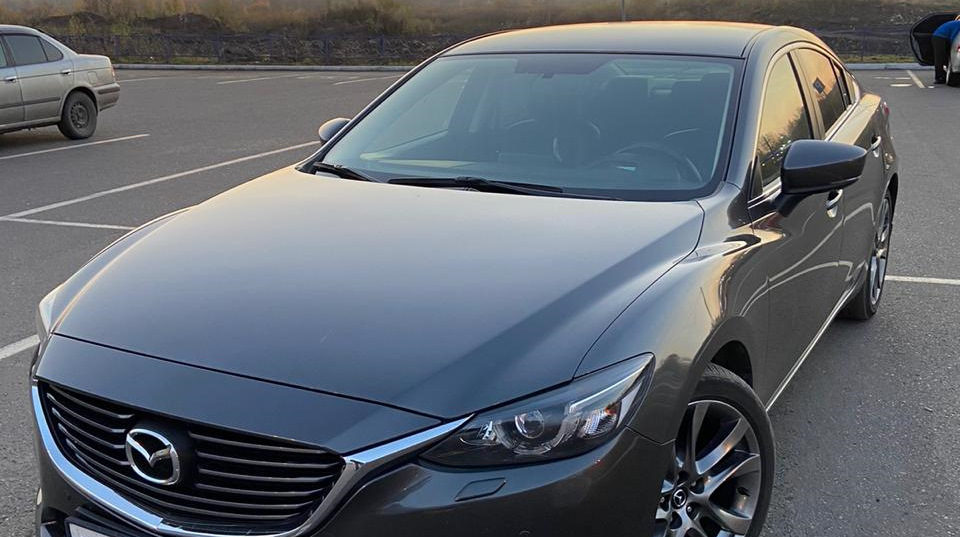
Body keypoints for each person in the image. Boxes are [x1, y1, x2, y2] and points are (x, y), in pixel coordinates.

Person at [932, 16, 960, 83]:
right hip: (939, 37)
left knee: (948, 56)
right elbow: (954, 36)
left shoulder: (956, 23)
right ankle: (939, 77)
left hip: (942, 36)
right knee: (939, 57)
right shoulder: (958, 25)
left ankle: (946, 75)